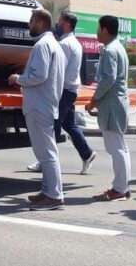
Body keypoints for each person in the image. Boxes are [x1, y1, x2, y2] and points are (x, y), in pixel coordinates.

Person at [9, 9, 66, 211]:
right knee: (47, 151)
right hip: (47, 104)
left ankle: (54, 196)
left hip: (39, 105)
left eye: (31, 21)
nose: (29, 25)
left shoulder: (42, 45)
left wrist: (18, 79)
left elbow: (39, 75)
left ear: (40, 23)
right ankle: (48, 191)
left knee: (46, 153)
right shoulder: (55, 45)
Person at [26, 12, 97, 175]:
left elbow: (56, 68)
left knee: (52, 126)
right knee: (69, 124)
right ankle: (87, 154)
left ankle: (46, 161)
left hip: (63, 90)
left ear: (67, 25)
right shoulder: (75, 42)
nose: (56, 26)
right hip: (71, 90)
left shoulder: (64, 44)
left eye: (59, 23)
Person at [86, 15, 132, 201]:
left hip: (112, 105)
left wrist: (94, 100)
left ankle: (119, 189)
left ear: (105, 30)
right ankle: (123, 187)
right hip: (117, 103)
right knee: (121, 147)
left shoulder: (110, 50)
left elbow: (108, 79)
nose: (97, 32)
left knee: (116, 148)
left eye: (98, 28)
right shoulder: (118, 47)